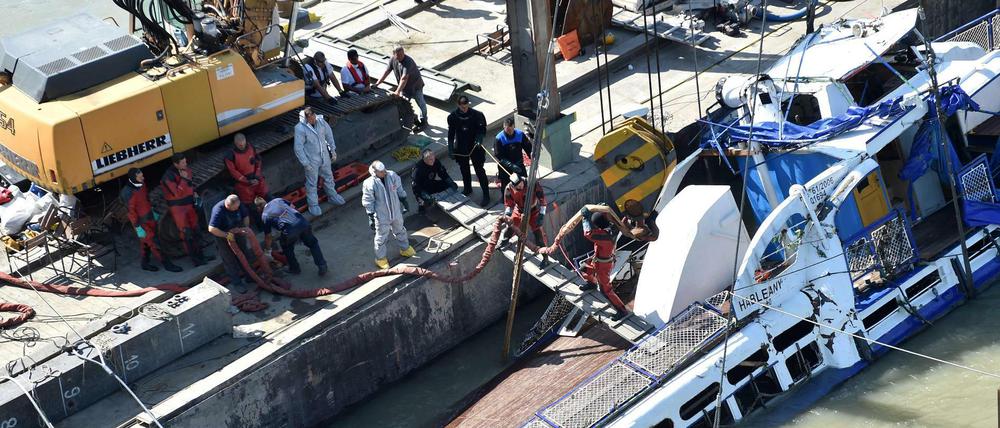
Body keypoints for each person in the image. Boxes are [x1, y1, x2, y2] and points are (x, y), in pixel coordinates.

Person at [120, 168, 182, 273]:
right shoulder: (128, 193)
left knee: (145, 243)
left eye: (142, 176)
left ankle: (145, 263)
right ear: (133, 178)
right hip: (141, 223)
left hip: (149, 218)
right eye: (140, 177)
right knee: (155, 242)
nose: (143, 178)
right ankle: (167, 264)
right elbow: (131, 213)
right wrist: (138, 227)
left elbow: (145, 199)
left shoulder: (141, 184)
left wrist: (152, 211)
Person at [294, 106, 347, 216]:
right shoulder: (300, 128)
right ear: (306, 118)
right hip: (311, 160)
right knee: (312, 182)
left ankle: (332, 196)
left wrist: (332, 150)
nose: (313, 119)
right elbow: (298, 148)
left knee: (329, 176)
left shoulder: (321, 122)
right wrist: (305, 163)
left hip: (324, 156)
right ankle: (313, 204)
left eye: (313, 116)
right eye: (310, 118)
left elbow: (329, 136)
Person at [362, 160, 416, 269]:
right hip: (382, 216)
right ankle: (380, 258)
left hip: (395, 212)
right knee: (381, 237)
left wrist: (404, 201)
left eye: (384, 170)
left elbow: (399, 189)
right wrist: (370, 216)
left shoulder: (392, 175)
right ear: (375, 172)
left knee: (400, 230)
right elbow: (368, 200)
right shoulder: (370, 183)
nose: (384, 173)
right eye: (381, 171)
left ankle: (404, 248)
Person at [256, 197, 328, 276]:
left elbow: (268, 236)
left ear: (258, 208)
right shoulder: (278, 200)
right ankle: (322, 265)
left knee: (286, 247)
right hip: (303, 223)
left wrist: (268, 251)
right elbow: (293, 207)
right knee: (313, 243)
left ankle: (295, 268)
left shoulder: (265, 216)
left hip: (290, 231)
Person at [161, 153, 210, 266]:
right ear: (175, 164)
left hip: (189, 205)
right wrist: (183, 179)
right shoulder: (168, 177)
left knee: (196, 231)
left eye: (185, 161)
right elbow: (176, 193)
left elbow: (190, 185)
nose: (186, 164)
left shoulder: (186, 170)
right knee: (187, 235)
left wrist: (194, 193)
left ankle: (202, 256)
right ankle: (196, 261)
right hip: (178, 209)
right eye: (183, 162)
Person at [578, 207, 627, 321]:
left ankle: (621, 310)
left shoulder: (604, 236)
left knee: (605, 290)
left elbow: (588, 233)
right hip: (600, 259)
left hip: (603, 266)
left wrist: (585, 219)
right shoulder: (610, 229)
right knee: (584, 267)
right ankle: (592, 283)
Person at [447, 95, 490, 206]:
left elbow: (482, 129)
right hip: (461, 146)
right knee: (464, 169)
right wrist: (450, 147)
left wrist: (480, 138)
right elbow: (451, 133)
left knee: (479, 170)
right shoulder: (452, 117)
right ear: (458, 105)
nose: (465, 109)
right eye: (462, 107)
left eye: (466, 107)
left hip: (475, 146)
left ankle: (486, 194)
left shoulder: (477, 115)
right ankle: (467, 188)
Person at [208, 195, 256, 290]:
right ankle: (237, 283)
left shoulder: (238, 204)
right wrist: (226, 235)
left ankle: (250, 276)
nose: (235, 210)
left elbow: (245, 216)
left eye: (236, 208)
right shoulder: (218, 210)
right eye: (233, 209)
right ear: (228, 205)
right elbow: (211, 229)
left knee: (245, 254)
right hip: (222, 235)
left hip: (237, 230)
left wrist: (245, 228)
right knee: (229, 259)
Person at [500, 173, 548, 266]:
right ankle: (505, 240)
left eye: (521, 183)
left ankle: (545, 258)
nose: (521, 186)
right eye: (518, 186)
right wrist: (508, 214)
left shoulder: (532, 184)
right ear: (513, 185)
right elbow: (508, 204)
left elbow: (542, 200)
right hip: (519, 210)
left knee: (538, 235)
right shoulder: (509, 188)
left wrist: (541, 215)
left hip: (533, 211)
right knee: (510, 227)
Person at [375, 46, 427, 129]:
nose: (401, 56)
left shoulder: (408, 61)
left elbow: (404, 78)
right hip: (405, 88)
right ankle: (414, 119)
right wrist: (377, 84)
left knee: (421, 104)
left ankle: (424, 121)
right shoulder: (392, 60)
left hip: (416, 86)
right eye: (399, 55)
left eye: (402, 54)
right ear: (394, 55)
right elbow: (387, 72)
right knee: (404, 106)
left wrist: (398, 91)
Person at [224, 133, 268, 227]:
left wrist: (256, 176)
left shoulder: (251, 147)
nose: (242, 146)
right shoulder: (230, 155)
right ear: (235, 143)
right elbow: (233, 172)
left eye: (244, 144)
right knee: (251, 207)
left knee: (267, 197)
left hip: (255, 179)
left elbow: (258, 161)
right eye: (240, 145)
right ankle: (260, 226)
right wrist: (247, 181)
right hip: (243, 185)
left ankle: (268, 221)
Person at [411, 149, 457, 214]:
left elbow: (443, 174)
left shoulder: (436, 162)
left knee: (447, 184)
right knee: (424, 201)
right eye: (430, 159)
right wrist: (425, 196)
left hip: (431, 183)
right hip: (421, 189)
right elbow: (415, 186)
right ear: (425, 160)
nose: (433, 161)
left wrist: (451, 182)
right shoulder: (418, 169)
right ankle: (422, 207)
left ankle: (438, 201)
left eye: (433, 158)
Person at [493, 117, 532, 192]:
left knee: (523, 181)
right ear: (504, 127)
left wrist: (531, 156)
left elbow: (528, 147)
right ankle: (505, 198)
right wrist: (510, 165)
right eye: (508, 130)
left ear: (514, 126)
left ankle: (525, 195)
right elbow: (499, 156)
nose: (510, 132)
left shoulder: (520, 134)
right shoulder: (499, 138)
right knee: (505, 184)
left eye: (511, 129)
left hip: (518, 163)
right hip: (505, 166)